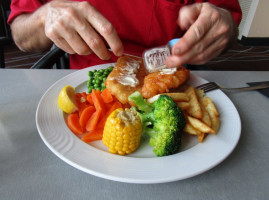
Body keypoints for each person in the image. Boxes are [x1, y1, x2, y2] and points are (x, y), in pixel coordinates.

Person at [8, 0, 242, 69]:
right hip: (85, 81)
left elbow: (228, 26)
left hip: (169, 77)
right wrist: (43, 16)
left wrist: (223, 26)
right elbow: (20, 36)